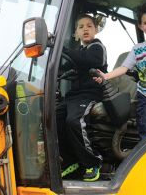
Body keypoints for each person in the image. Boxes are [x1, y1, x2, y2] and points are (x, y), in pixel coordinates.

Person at [95, 5, 146, 139]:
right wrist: (106, 75)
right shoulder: (138, 49)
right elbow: (124, 68)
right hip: (145, 97)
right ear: (140, 26)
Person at [57, 14, 107, 181]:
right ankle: (72, 161)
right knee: (53, 119)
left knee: (74, 121)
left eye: (89, 26)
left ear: (96, 30)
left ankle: (92, 162)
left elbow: (87, 61)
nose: (85, 29)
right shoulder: (77, 51)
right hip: (74, 96)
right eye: (81, 27)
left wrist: (60, 47)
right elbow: (65, 68)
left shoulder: (97, 47)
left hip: (90, 94)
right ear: (76, 33)